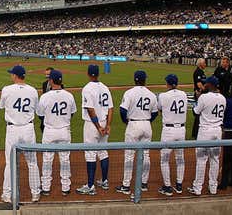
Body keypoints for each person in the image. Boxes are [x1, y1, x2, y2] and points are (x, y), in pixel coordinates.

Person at [0, 65, 40, 203]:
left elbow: (2, 106)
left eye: (12, 74)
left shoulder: (6, 89)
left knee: (10, 163)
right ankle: (35, 193)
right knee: (32, 162)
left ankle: (7, 194)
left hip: (13, 129)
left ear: (15, 76)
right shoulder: (33, 90)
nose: (11, 76)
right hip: (28, 129)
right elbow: (36, 108)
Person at [116, 71, 158, 195]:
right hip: (146, 125)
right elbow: (155, 113)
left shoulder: (129, 92)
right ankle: (144, 183)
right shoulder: (151, 94)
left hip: (133, 124)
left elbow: (123, 111)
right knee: (146, 154)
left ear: (135, 79)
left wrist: (126, 122)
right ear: (145, 80)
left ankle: (126, 185)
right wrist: (148, 120)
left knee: (129, 155)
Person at [76, 64, 113, 196]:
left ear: (88, 73)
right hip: (104, 120)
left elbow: (90, 109)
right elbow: (110, 108)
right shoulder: (105, 87)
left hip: (93, 124)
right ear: (98, 74)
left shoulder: (87, 88)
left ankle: (90, 186)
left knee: (90, 153)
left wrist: (98, 127)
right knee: (103, 151)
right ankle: (104, 180)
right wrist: (107, 125)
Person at [37, 70, 75, 196]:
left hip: (49, 131)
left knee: (47, 159)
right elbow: (72, 113)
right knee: (65, 159)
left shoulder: (45, 97)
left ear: (51, 81)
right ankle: (65, 187)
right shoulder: (69, 95)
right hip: (64, 130)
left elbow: (40, 115)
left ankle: (46, 187)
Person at [189, 76, 226, 195]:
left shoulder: (204, 97)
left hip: (205, 131)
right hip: (217, 131)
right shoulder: (222, 98)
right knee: (215, 160)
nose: (205, 85)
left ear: (210, 85)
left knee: (201, 159)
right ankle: (213, 187)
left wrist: (198, 97)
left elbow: (195, 112)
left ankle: (197, 188)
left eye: (206, 84)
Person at [157, 74, 187, 195]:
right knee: (180, 158)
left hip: (168, 130)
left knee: (164, 159)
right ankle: (179, 185)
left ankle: (167, 186)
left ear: (168, 83)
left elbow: (159, 109)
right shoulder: (184, 94)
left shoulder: (163, 96)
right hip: (181, 130)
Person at [220, 83, 232, 189]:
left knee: (227, 158)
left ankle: (224, 183)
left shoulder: (228, 102)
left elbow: (222, 116)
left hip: (229, 131)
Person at [192, 58, 207, 139]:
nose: (205, 64)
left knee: (201, 113)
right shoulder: (198, 72)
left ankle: (196, 132)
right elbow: (199, 84)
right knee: (198, 113)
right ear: (200, 64)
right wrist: (207, 89)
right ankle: (195, 132)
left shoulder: (201, 72)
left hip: (202, 94)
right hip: (199, 94)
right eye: (204, 63)